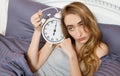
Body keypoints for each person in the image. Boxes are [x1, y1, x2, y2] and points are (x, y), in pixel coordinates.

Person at [27, 2, 109, 76]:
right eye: (71, 28)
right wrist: (37, 31)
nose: (78, 33)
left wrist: (72, 55)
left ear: (90, 22)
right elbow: (33, 66)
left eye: (82, 24)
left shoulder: (100, 49)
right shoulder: (59, 37)